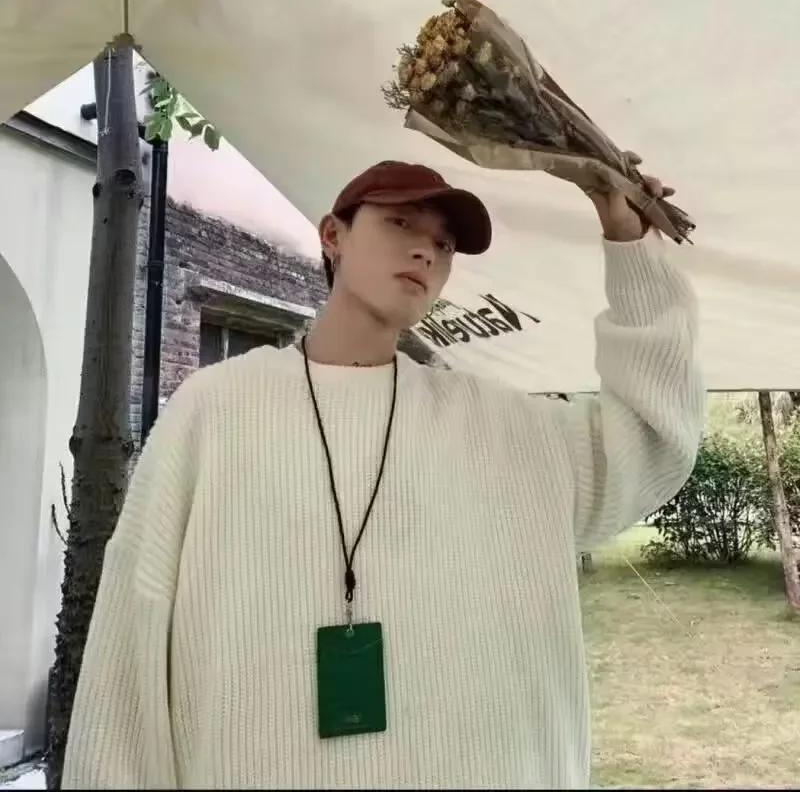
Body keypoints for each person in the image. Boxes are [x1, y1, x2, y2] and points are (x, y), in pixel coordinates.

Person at [62, 159, 705, 789]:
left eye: (444, 244)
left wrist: (630, 244)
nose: (426, 251)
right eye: (401, 223)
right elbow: (129, 648)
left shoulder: (500, 423)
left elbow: (648, 442)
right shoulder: (215, 411)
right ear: (332, 235)